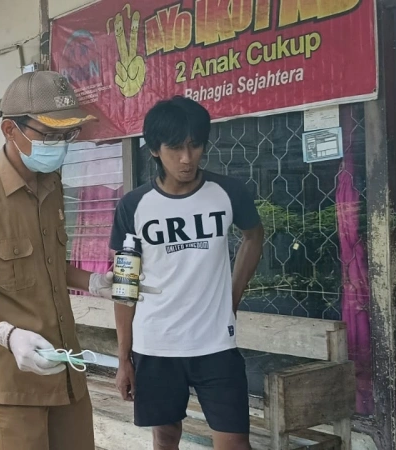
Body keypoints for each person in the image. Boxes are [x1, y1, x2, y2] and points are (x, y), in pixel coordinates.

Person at [0, 71, 154, 450]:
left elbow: (45, 263)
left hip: (65, 368)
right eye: (49, 135)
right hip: (12, 377)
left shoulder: (51, 184)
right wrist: (8, 334)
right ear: (10, 130)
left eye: (67, 136)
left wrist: (94, 282)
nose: (60, 146)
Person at [109, 97, 264, 450]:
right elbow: (124, 285)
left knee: (235, 442)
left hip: (216, 345)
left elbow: (254, 237)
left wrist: (232, 298)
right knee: (165, 438)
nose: (187, 158)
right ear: (153, 150)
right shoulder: (133, 206)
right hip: (155, 346)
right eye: (176, 147)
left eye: (195, 145)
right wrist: (123, 359)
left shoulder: (228, 193)